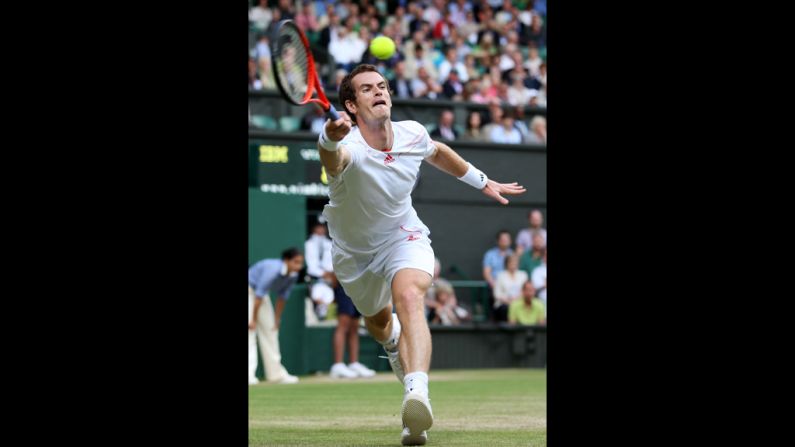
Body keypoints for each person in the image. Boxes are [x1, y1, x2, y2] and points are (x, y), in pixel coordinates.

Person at [316, 64, 526, 445]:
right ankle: (394, 343)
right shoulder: (345, 144)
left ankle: (417, 395)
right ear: (351, 104)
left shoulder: (413, 133)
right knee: (379, 326)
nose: (379, 92)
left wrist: (481, 181)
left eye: (383, 86)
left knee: (410, 295)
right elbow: (333, 162)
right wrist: (329, 140)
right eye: (367, 89)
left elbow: (439, 152)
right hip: (354, 254)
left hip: (402, 236)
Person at [248, 248, 304, 385]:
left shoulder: (293, 276)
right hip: (250, 290)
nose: (299, 266)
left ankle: (276, 375)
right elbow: (258, 296)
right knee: (250, 332)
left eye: (301, 263)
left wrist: (276, 319)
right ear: (286, 260)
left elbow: (282, 298)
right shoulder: (272, 270)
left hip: (260, 295)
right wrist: (253, 320)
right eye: (296, 262)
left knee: (271, 330)